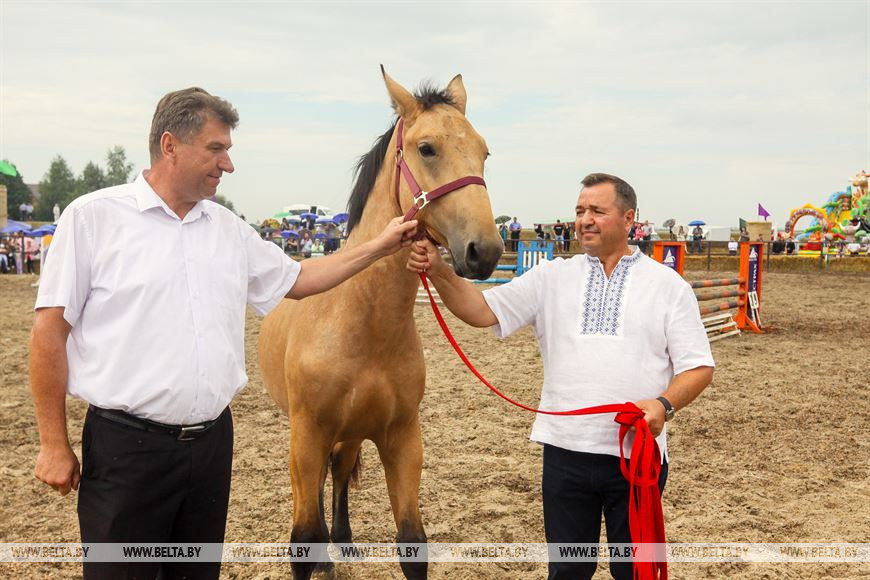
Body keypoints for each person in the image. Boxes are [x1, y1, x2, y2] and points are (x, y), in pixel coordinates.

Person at [29, 87, 419, 580]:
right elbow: (48, 332)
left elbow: (299, 278)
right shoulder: (92, 219)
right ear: (170, 146)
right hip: (127, 450)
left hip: (210, 448)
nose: (228, 165)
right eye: (216, 149)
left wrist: (379, 245)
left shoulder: (228, 229)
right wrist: (53, 443)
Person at [407, 172, 713, 580]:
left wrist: (664, 404)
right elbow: (482, 311)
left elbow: (698, 366)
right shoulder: (551, 277)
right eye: (580, 211)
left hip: (636, 454)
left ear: (629, 219)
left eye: (597, 211)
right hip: (565, 451)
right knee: (568, 570)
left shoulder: (668, 286)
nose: (585, 220)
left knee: (636, 572)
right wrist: (441, 272)